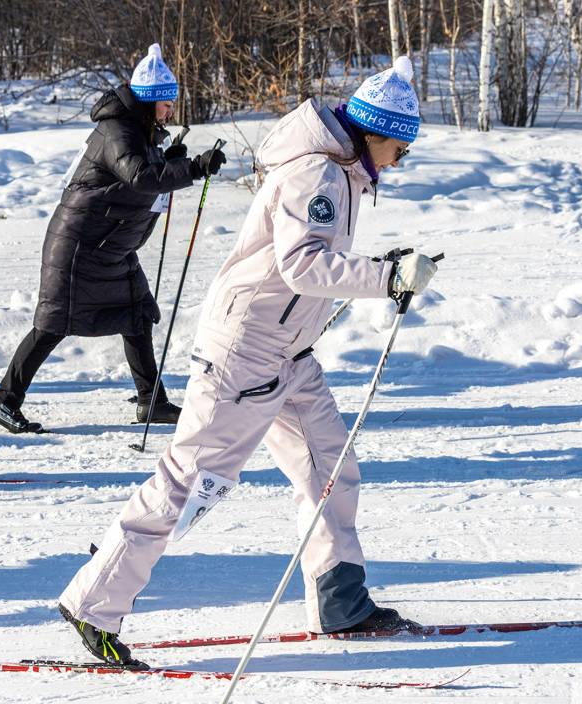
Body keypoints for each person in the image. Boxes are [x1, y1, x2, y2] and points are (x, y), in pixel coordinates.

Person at [57, 57, 439, 665]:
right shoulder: (319, 173)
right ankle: (93, 604)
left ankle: (341, 600)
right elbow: (302, 266)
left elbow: (308, 264)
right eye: (403, 147)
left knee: (330, 466)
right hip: (246, 353)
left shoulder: (339, 171)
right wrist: (386, 276)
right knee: (188, 481)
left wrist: (381, 266)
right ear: (377, 134)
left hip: (288, 354)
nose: (401, 160)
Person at [0, 44, 226, 435]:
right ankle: (3, 401)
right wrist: (192, 167)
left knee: (137, 314)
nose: (169, 111)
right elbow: (140, 178)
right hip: (80, 244)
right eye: (165, 103)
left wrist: (170, 159)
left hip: (111, 246)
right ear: (148, 102)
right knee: (53, 323)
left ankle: (152, 402)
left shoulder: (138, 129)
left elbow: (142, 172)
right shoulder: (117, 129)